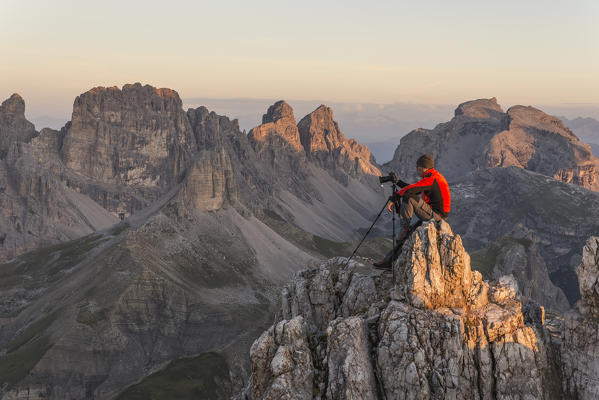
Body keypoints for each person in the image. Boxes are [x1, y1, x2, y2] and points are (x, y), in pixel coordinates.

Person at [373, 154, 451, 269]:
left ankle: (404, 228)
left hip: (437, 217)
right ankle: (389, 262)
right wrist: (398, 182)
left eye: (418, 169)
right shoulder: (432, 177)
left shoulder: (433, 179)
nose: (417, 171)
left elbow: (412, 191)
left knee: (409, 198)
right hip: (433, 214)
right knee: (408, 235)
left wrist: (395, 198)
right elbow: (415, 188)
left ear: (422, 168)